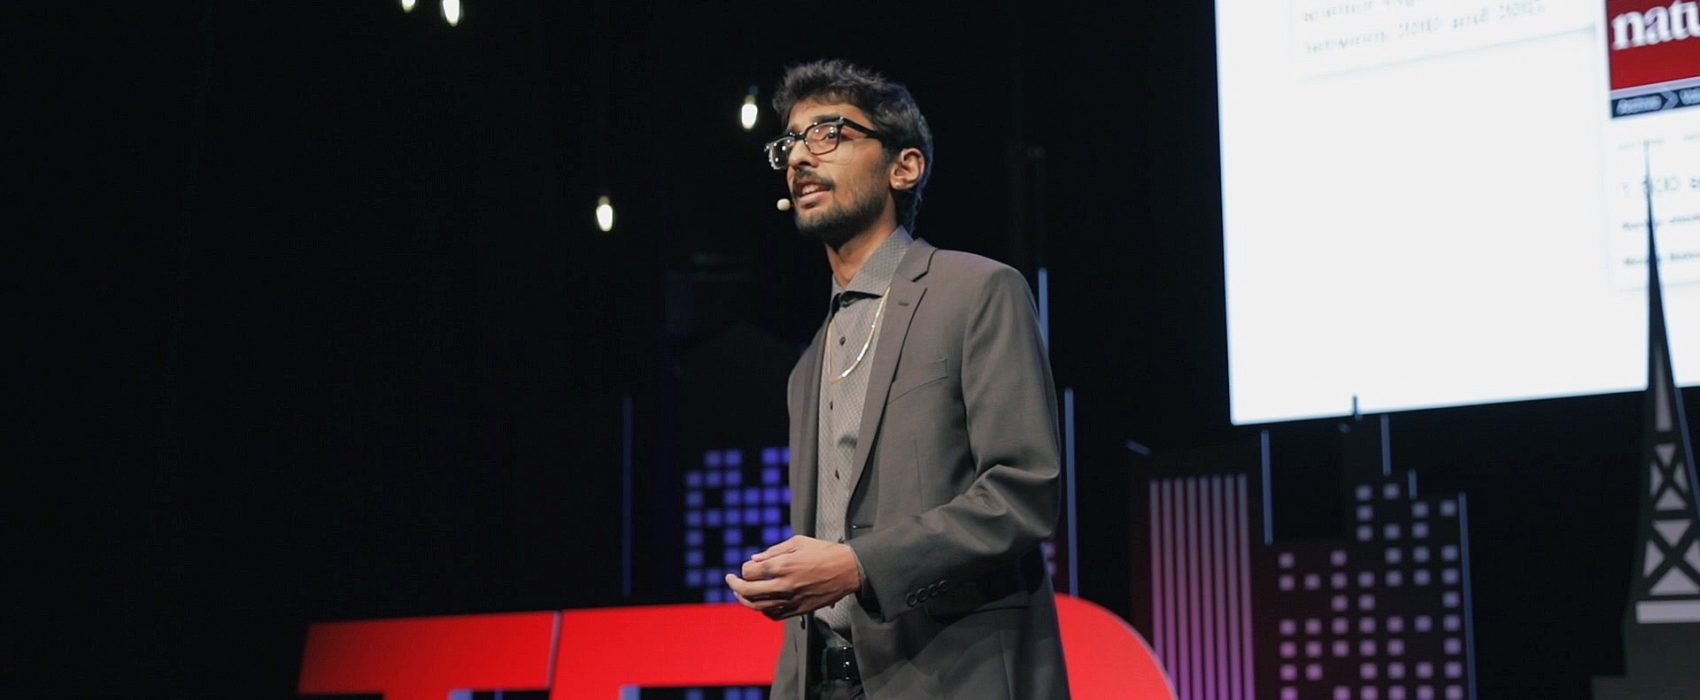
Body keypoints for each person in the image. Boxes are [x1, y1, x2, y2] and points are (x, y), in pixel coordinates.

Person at [724, 59, 1070, 699]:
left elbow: (1024, 492)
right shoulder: (808, 366)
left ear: (903, 166)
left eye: (828, 133)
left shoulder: (977, 292)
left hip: (949, 674)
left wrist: (859, 567)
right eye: (790, 143)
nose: (800, 156)